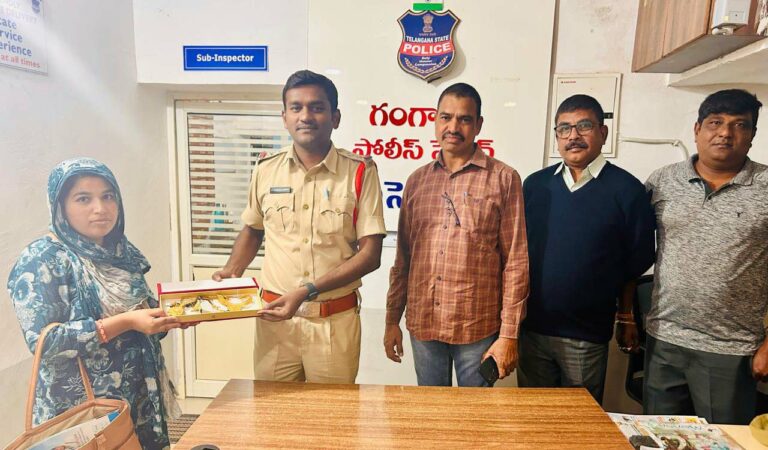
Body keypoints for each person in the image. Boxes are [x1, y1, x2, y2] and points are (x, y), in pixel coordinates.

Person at [213, 70, 386, 383]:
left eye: (317, 107)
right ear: (284, 117)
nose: (305, 116)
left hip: (333, 323)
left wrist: (307, 291)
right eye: (296, 108)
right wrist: (231, 271)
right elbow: (253, 229)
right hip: (274, 322)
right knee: (273, 408)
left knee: (330, 411)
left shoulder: (359, 172)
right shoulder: (265, 169)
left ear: (335, 117)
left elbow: (371, 255)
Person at [7, 158, 184, 449]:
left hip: (136, 398)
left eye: (108, 196)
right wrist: (126, 322)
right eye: (83, 199)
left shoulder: (120, 252)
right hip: (83, 413)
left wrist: (173, 315)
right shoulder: (43, 260)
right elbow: (45, 343)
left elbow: (139, 316)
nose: (100, 208)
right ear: (60, 206)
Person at [384, 82, 529, 386]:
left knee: (474, 412)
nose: (453, 127)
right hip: (424, 323)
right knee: (431, 409)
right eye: (446, 117)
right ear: (435, 120)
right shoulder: (417, 181)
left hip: (477, 326)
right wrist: (391, 319)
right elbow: (403, 259)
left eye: (464, 119)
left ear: (478, 125)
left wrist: (509, 335)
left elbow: (516, 262)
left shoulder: (503, 179)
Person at [517, 94, 655, 403]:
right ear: (556, 136)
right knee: (532, 415)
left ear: (603, 133)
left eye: (584, 126)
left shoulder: (627, 190)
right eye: (564, 128)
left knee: (580, 419)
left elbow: (636, 260)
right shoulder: (535, 186)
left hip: (586, 334)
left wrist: (625, 315)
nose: (573, 136)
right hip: (533, 329)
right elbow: (518, 252)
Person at [644, 89, 768, 424]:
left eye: (739, 125)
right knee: (659, 437)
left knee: (722, 441)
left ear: (753, 135)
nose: (725, 133)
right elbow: (631, 246)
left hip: (731, 348)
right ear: (697, 129)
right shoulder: (662, 181)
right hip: (664, 339)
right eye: (715, 122)